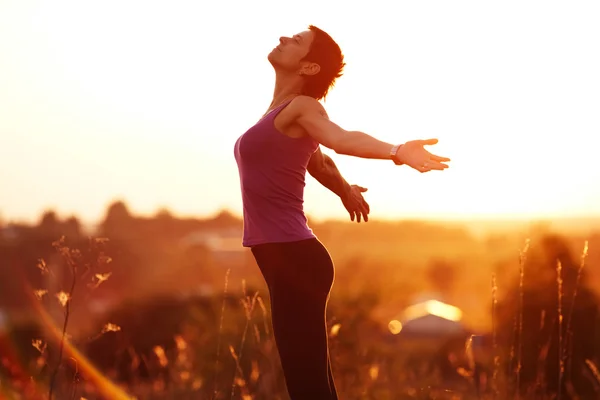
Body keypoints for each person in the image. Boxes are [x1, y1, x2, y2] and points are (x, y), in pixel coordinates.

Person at [233, 25, 450, 400]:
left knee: (308, 385)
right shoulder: (280, 115)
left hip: (295, 259)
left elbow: (341, 139)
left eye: (296, 41)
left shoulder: (303, 107)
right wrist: (346, 190)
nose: (284, 38)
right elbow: (320, 162)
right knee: (311, 384)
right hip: (287, 259)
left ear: (309, 68)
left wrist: (397, 151)